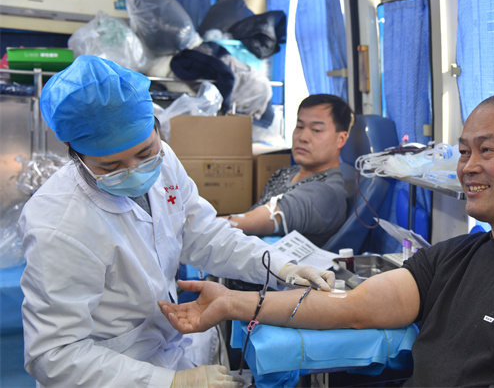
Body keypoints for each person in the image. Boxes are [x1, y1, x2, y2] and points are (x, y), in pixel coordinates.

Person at [159, 91, 494, 387]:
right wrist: (232, 303)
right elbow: (354, 307)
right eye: (463, 151)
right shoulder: (458, 254)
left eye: (487, 151)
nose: (468, 167)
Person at [18, 55, 334, 388]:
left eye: (144, 152)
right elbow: (53, 355)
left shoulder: (164, 161)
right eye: (111, 167)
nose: (135, 171)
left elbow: (204, 234)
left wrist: (282, 266)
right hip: (109, 372)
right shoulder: (58, 223)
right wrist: (170, 383)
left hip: (167, 346)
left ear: (156, 126)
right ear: (75, 152)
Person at [224, 93, 353, 247]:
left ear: (341, 139)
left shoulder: (326, 193)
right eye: (299, 127)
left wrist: (207, 226)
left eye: (316, 130)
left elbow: (257, 220)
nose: (302, 137)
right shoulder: (284, 173)